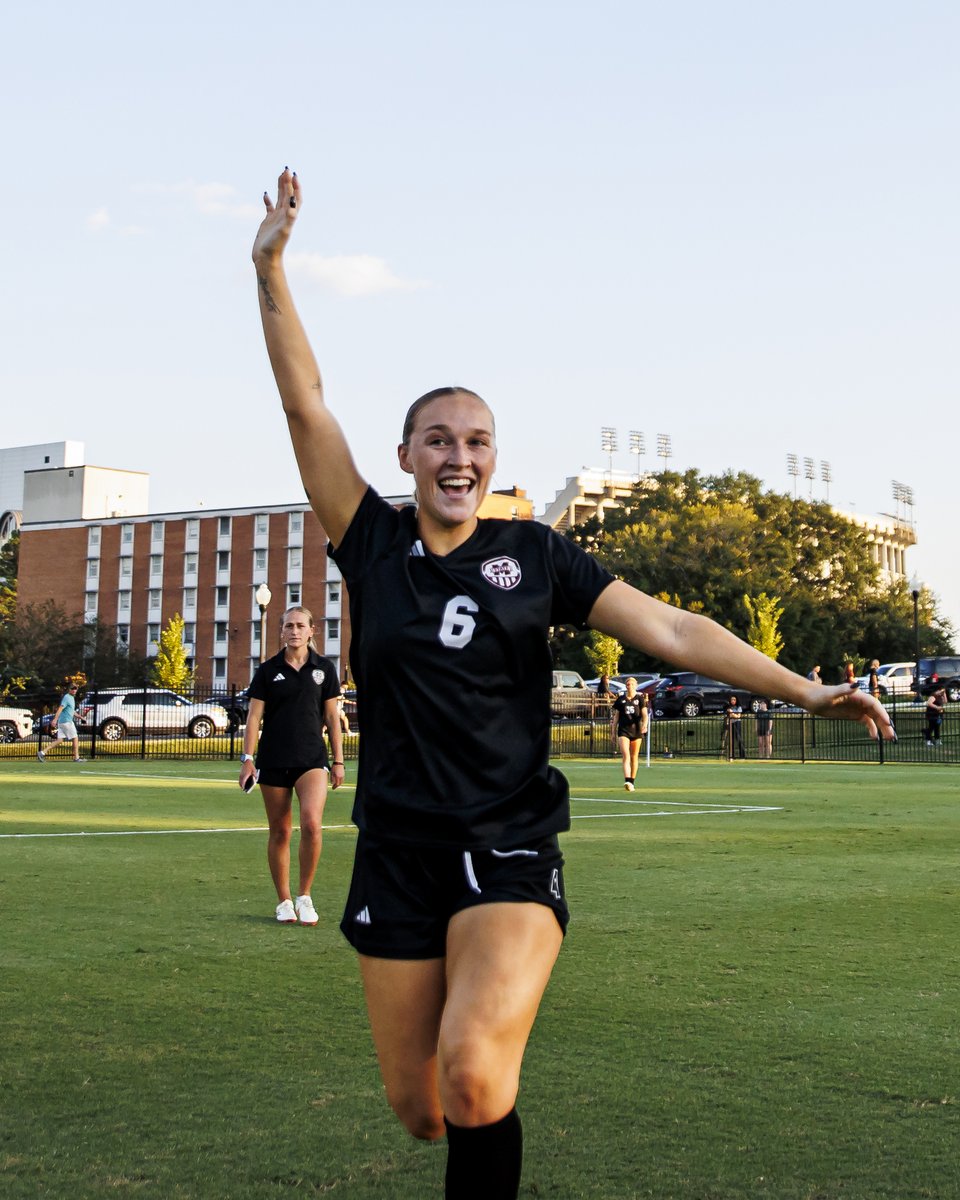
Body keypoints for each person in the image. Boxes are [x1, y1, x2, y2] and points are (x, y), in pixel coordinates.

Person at [252, 168, 894, 1200]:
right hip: (398, 852)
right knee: (422, 1109)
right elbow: (303, 403)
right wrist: (271, 264)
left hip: (507, 843)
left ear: (492, 457)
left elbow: (674, 628)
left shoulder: (539, 556)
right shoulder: (370, 543)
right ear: (407, 456)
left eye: (477, 440)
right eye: (440, 440)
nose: (459, 456)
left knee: (470, 1074)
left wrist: (804, 691)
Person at [240, 606, 345, 924]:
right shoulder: (267, 670)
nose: (295, 631)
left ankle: (304, 896)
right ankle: (284, 901)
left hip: (312, 759)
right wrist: (247, 759)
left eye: (301, 625)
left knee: (312, 825)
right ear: (281, 631)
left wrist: (339, 760)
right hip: (273, 760)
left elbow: (331, 718)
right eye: (289, 625)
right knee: (280, 831)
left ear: (312, 630)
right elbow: (254, 717)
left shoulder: (324, 669)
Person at [610, 678, 648, 790]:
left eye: (631, 684)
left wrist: (645, 725)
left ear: (636, 685)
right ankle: (627, 780)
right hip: (623, 730)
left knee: (634, 756)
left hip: (636, 730)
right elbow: (616, 717)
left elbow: (645, 714)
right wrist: (613, 731)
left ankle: (632, 781)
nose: (629, 686)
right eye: (627, 684)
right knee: (625, 755)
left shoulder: (640, 699)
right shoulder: (621, 699)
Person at [38, 682, 82, 762]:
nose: (74, 690)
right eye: (72, 688)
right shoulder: (67, 697)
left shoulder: (72, 698)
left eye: (75, 689)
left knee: (59, 740)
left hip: (62, 723)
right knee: (75, 738)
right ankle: (76, 758)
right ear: (69, 689)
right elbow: (60, 708)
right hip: (67, 722)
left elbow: (72, 711)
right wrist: (55, 719)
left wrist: (79, 716)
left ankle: (42, 752)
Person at [724, 695, 746, 760]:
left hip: (737, 723)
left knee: (739, 739)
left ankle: (742, 756)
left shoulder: (738, 707)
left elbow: (738, 716)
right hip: (731, 723)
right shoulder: (729, 707)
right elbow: (729, 715)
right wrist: (732, 713)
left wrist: (732, 713)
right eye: (732, 700)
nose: (733, 701)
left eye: (734, 700)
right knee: (731, 740)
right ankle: (732, 756)